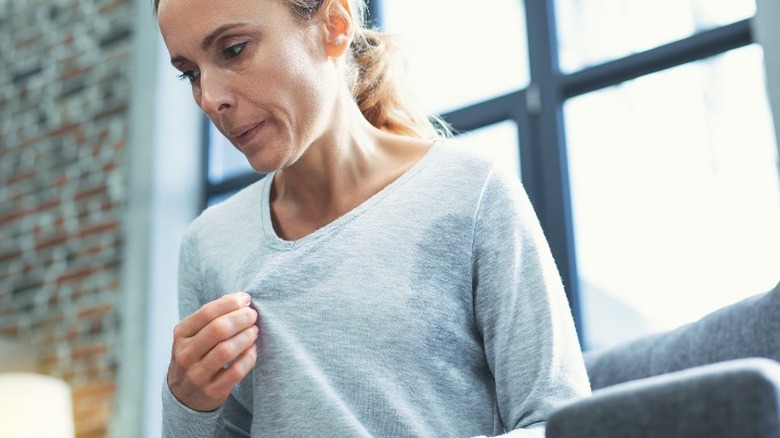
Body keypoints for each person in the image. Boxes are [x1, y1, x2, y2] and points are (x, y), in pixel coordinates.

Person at [156, 0, 591, 436]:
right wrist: (186, 404)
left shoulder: (471, 192)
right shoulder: (209, 245)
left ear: (334, 25)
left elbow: (558, 422)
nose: (210, 99)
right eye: (190, 73)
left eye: (233, 50)